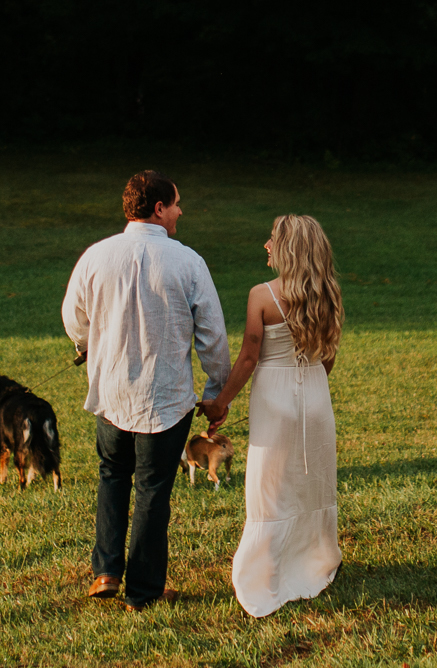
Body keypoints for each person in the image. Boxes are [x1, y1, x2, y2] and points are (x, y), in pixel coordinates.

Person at [61, 170, 230, 612]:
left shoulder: (96, 256)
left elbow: (72, 317)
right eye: (176, 204)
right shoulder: (188, 261)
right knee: (153, 490)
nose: (180, 211)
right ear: (158, 209)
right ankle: (143, 590)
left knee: (112, 476)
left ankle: (105, 571)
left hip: (111, 391)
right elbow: (212, 334)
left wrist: (85, 345)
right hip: (165, 396)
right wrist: (215, 391)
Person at [215, 213, 342, 617]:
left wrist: (222, 403)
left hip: (273, 397)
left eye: (272, 240)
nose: (266, 246)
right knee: (311, 484)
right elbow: (329, 356)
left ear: (288, 247)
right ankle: (316, 558)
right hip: (317, 397)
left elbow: (250, 356)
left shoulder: (262, 295)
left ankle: (265, 569)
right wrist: (310, 384)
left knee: (268, 488)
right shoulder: (329, 292)